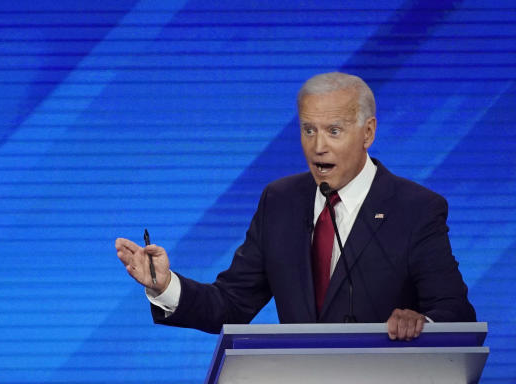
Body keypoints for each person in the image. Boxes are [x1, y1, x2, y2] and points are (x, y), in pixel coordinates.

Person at [115, 72, 475, 340]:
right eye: (308, 130)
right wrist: (165, 286)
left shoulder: (415, 209)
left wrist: (422, 324)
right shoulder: (280, 202)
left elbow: (456, 311)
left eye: (334, 131)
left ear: (368, 133)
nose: (318, 146)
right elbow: (231, 304)